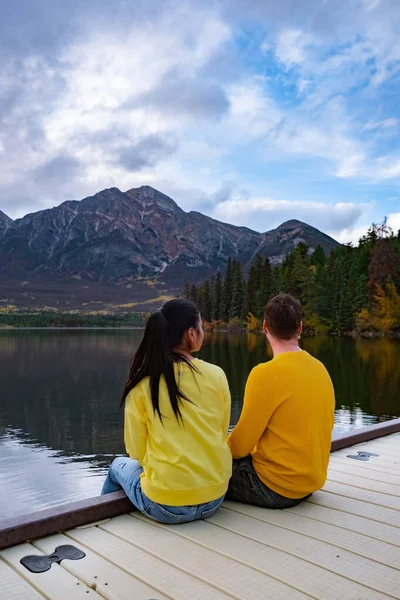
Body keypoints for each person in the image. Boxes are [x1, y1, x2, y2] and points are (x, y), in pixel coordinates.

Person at [102, 298, 232, 523]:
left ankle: (101, 526)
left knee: (117, 467)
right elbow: (220, 433)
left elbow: (136, 452)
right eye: (201, 327)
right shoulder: (217, 375)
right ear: (191, 334)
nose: (203, 331)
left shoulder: (143, 386)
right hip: (215, 497)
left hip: (165, 507)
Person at [227, 292, 335, 509]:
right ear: (300, 328)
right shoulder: (320, 368)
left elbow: (239, 447)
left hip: (275, 488)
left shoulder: (265, 374)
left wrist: (215, 449)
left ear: (265, 327)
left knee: (205, 470)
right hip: (310, 483)